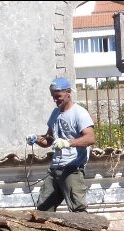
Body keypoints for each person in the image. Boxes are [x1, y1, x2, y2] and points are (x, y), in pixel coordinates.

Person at [27, 77, 96, 212]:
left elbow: (90, 138)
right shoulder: (55, 113)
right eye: (53, 97)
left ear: (68, 92)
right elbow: (50, 140)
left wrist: (68, 143)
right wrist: (36, 139)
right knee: (43, 209)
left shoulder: (79, 113)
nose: (55, 100)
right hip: (55, 168)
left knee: (78, 209)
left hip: (72, 168)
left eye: (58, 96)